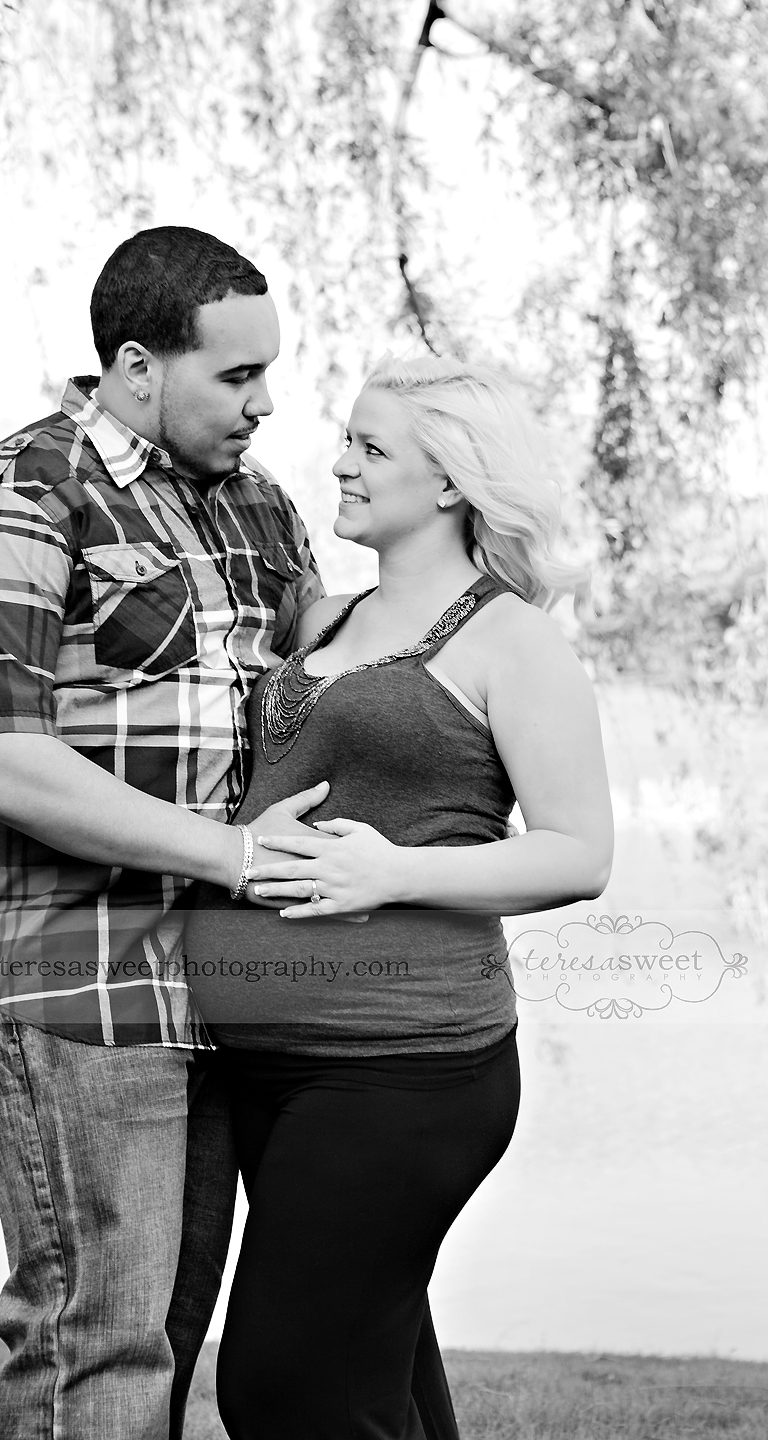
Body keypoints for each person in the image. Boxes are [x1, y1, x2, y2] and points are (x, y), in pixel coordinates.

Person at [0, 225, 330, 1440]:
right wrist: (233, 855)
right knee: (95, 1345)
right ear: (138, 368)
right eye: (237, 375)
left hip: (222, 990)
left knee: (162, 1345)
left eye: (268, 372)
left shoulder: (260, 505)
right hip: (71, 985)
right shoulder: (19, 493)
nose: (265, 403)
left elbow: (327, 672)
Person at [183, 354, 614, 1439]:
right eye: (347, 438)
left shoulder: (512, 640)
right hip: (267, 1069)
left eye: (372, 448)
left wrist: (396, 871)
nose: (341, 463)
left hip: (403, 1070)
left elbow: (579, 854)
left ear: (453, 481)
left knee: (283, 1387)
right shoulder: (325, 621)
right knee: (374, 1384)